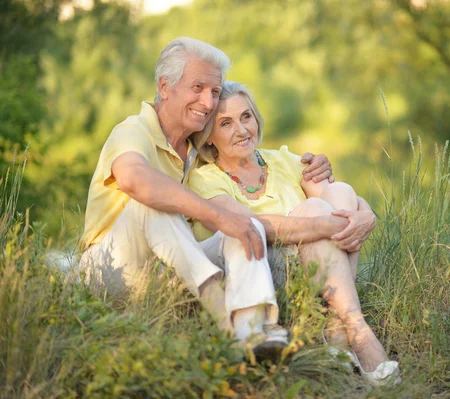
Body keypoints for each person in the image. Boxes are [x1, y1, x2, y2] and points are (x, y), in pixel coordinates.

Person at [79, 38, 333, 359]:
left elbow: (248, 162)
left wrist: (315, 166)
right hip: (111, 270)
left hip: (170, 275)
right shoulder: (133, 131)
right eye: (197, 87)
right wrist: (217, 216)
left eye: (214, 91)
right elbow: (134, 179)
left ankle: (252, 330)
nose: (209, 101)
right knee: (153, 199)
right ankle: (225, 323)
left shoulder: (196, 151)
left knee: (241, 223)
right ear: (165, 86)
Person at [189, 81, 401, 385]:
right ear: (208, 137)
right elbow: (251, 226)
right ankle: (355, 329)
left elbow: (341, 200)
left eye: (246, 116)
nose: (241, 129)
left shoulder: (282, 160)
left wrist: (366, 215)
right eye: (225, 123)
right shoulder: (204, 179)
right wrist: (321, 225)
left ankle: (336, 328)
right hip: (260, 272)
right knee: (315, 208)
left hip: (314, 265)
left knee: (338, 189)